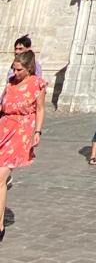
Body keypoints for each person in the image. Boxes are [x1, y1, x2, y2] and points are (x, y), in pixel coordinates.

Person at [0, 50, 46, 242]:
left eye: (18, 69)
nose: (15, 72)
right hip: (4, 127)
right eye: (13, 68)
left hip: (21, 132)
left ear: (28, 69)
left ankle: (0, 224)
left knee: (0, 177)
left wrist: (37, 132)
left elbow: (40, 109)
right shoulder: (10, 83)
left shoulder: (37, 84)